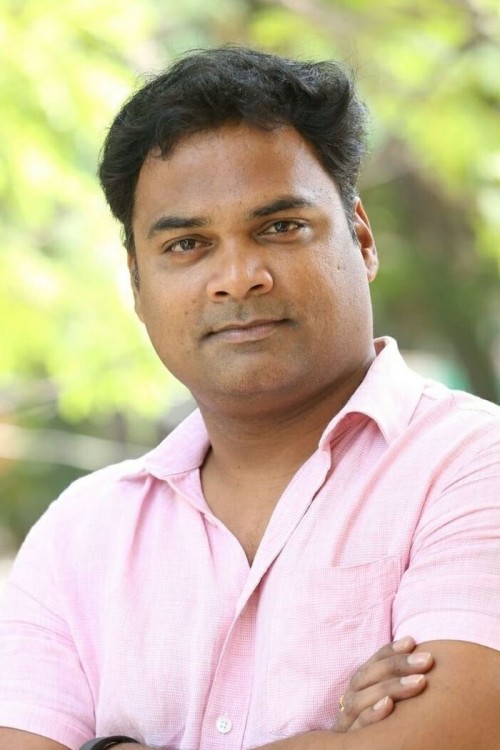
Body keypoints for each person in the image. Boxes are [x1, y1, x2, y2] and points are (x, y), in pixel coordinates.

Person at [0, 46, 499, 750]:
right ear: (137, 283)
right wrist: (335, 739)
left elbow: (454, 737)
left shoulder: (474, 466)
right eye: (187, 245)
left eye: (280, 227)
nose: (237, 277)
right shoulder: (79, 537)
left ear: (361, 239)